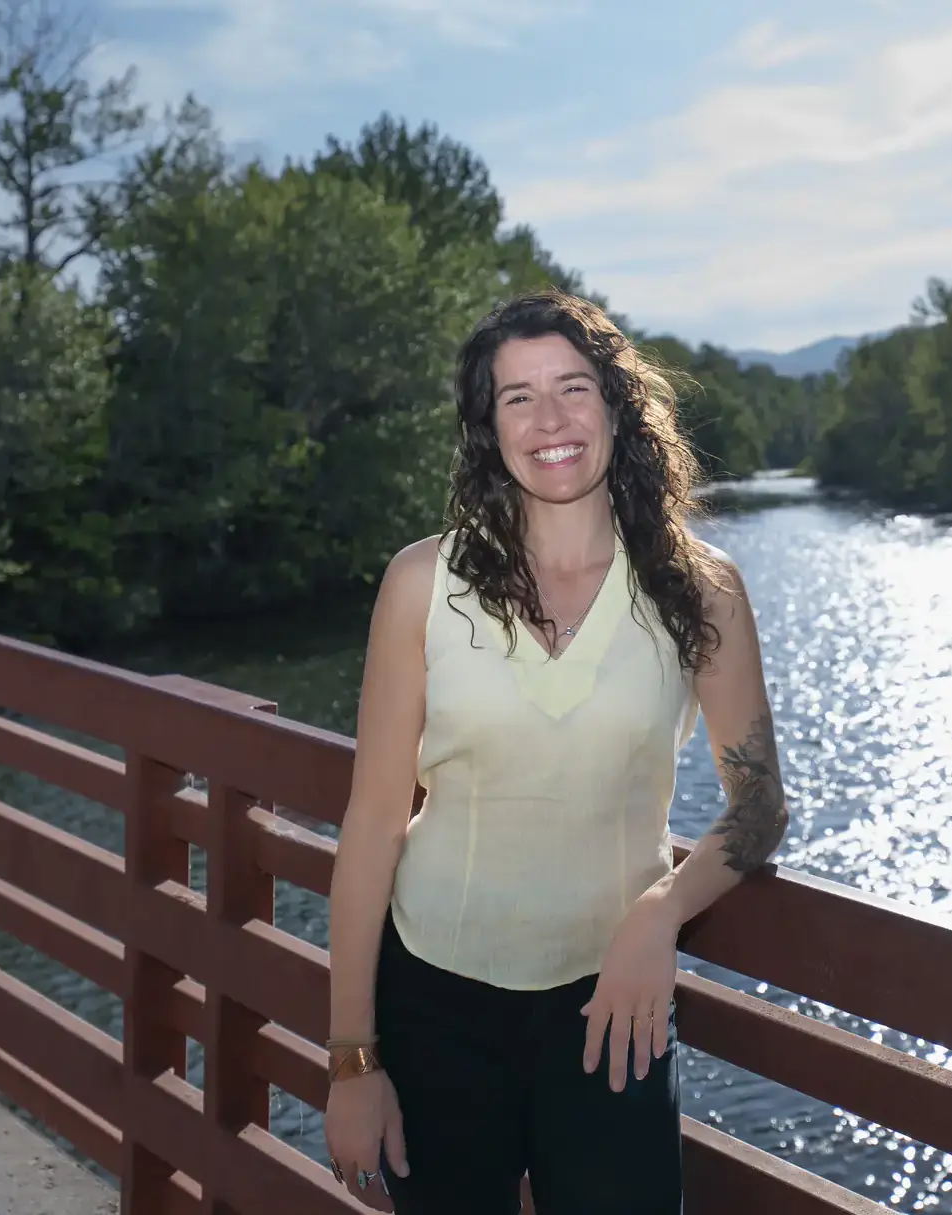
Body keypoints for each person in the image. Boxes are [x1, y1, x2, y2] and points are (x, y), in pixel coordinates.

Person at [320, 289, 789, 1214]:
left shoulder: (700, 591)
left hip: (612, 1008)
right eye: (518, 398)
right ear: (487, 429)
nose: (551, 421)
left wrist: (663, 911)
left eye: (573, 388)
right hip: (435, 1003)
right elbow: (374, 824)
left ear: (617, 406)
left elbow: (760, 802)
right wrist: (351, 1060)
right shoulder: (423, 585)